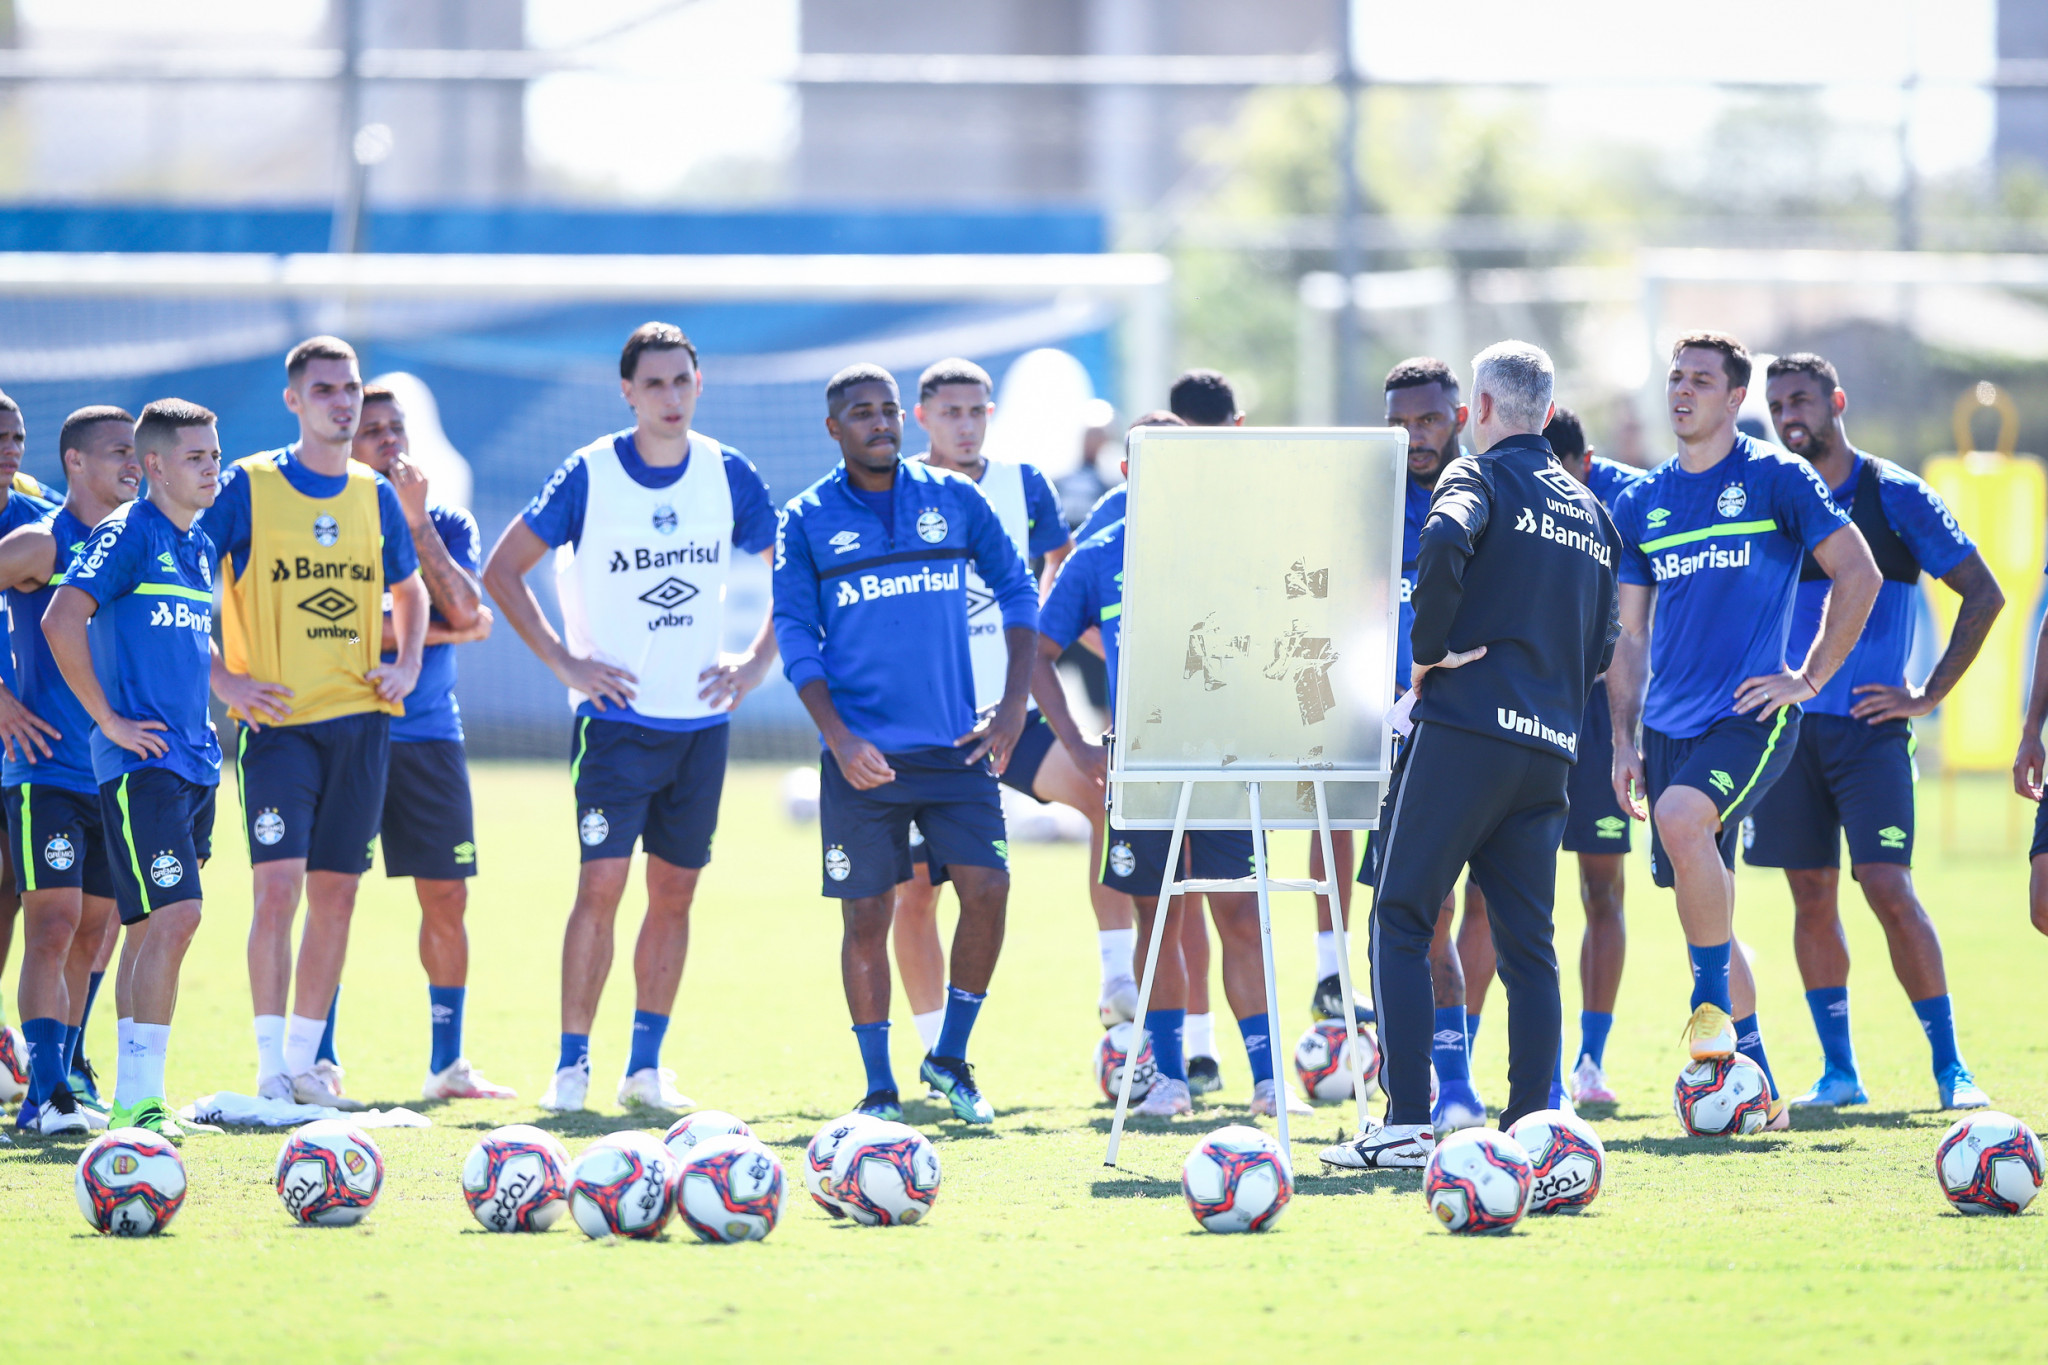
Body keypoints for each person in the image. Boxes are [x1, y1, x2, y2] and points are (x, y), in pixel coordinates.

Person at [1322, 342, 1618, 1170]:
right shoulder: (1593, 513)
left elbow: (1445, 544)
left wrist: (1432, 648)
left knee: (1402, 912)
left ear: (1479, 410)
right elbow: (1605, 642)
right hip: (1551, 751)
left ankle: (1408, 1120)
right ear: (1547, 413)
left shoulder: (1475, 478)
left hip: (1465, 735)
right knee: (1531, 942)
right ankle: (1535, 1127)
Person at [483, 322, 778, 1115]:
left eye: (683, 380)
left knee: (675, 895)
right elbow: (502, 570)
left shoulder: (727, 473)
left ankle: (645, 1067)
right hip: (614, 724)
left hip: (701, 724)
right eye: (654, 384)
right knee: (602, 888)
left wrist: (753, 663)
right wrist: (566, 664)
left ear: (699, 383)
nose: (671, 397)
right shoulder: (588, 473)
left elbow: (799, 574)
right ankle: (571, 1067)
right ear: (627, 391)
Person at [1607, 332, 1880, 1130]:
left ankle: (1707, 1015)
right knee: (1709, 911)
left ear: (1735, 399)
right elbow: (1629, 637)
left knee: (1682, 819)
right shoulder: (1642, 502)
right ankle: (1754, 1072)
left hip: (1753, 715)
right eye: (1675, 378)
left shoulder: (1776, 478)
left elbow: (1856, 573)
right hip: (1667, 730)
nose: (1682, 391)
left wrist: (1810, 677)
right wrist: (1625, 739)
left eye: (1701, 380)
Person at [772, 363, 1036, 1125]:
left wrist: (1013, 705)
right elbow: (795, 632)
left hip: (957, 748)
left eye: (888, 409)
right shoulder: (807, 517)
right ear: (834, 429)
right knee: (867, 918)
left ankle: (949, 1056)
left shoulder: (954, 497)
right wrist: (839, 736)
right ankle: (879, 1088)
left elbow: (1019, 591)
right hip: (864, 757)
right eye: (862, 412)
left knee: (989, 889)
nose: (880, 422)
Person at [1746, 353, 1998, 1111]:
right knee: (1811, 895)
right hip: (1789, 735)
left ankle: (1952, 1067)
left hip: (1869, 733)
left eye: (1802, 401)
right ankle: (1839, 1072)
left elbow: (1983, 593)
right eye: (1778, 403)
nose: (1790, 416)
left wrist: (1927, 695)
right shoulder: (1770, 491)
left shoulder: (1894, 495)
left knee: (1888, 886)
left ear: (1837, 402)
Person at [1036, 460, 1313, 1124]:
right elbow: (1038, 652)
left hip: (1227, 760)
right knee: (1156, 921)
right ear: (1136, 476)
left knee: (1243, 918)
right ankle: (1167, 1079)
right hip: (1142, 767)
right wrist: (1075, 742)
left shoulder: (1237, 550)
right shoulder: (1100, 553)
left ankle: (1271, 1081)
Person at [204, 335, 428, 1110]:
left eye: (352, 389)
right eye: (327, 389)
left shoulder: (373, 492)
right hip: (280, 725)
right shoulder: (250, 487)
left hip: (361, 723)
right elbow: (179, 576)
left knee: (338, 894)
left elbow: (412, 588)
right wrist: (224, 677)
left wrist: (408, 664)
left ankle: (305, 1064)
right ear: (294, 400)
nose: (344, 402)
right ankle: (270, 1066)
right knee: (277, 889)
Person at [889, 358, 1128, 1048]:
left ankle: (1117, 980)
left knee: (1102, 794)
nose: (965, 425)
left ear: (990, 415)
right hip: (926, 726)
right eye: (950, 412)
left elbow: (1061, 555)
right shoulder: (897, 490)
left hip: (1010, 715)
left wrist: (1036, 621)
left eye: (976, 411)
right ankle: (938, 1046)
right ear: (923, 418)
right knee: (918, 892)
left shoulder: (1022, 483)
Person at [43, 399, 226, 1139]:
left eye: (215, 454)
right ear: (153, 466)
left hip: (193, 764)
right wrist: (110, 722)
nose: (211, 467)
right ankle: (138, 1100)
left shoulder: (199, 544)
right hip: (140, 765)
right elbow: (61, 617)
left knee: (148, 923)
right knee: (178, 915)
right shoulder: (129, 531)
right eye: (195, 457)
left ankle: (135, 1098)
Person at [1452, 406, 1642, 1107]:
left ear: (1583, 464)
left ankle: (1589, 1060)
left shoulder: (1619, 505)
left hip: (1590, 724)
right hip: (1516, 717)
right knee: (1489, 898)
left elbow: (1630, 628)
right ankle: (1461, 1071)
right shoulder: (1492, 488)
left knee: (1602, 890)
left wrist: (1628, 734)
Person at [347, 385, 512, 1101]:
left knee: (446, 895)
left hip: (429, 734)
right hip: (342, 730)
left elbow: (470, 605)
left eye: (396, 428)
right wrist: (448, 629)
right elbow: (340, 632)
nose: (387, 441)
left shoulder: (442, 520)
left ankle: (448, 1065)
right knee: (330, 896)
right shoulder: (322, 521)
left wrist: (415, 525)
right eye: (370, 429)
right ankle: (311, 1059)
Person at [0, 406, 140, 1133]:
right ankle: (42, 1090)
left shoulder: (141, 541)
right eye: (120, 450)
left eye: (138, 451)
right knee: (50, 924)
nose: (134, 462)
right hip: (45, 766)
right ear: (77, 462)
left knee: (96, 929)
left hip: (114, 772)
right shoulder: (40, 540)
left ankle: (72, 1070)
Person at [1362, 357, 1488, 1131]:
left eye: (1429, 421)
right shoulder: (1365, 508)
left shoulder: (1489, 495)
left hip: (1481, 732)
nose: (1414, 438)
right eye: (1400, 425)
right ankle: (1442, 1084)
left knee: (1507, 910)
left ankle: (1519, 1082)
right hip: (1396, 739)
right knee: (1417, 913)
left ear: (1462, 417)